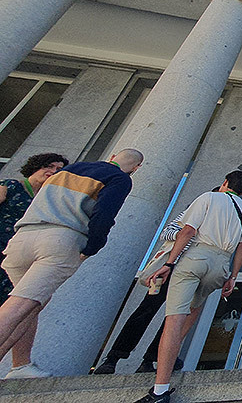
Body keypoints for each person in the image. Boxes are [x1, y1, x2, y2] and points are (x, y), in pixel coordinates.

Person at [0, 148, 142, 379]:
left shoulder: (67, 171)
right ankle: (19, 366)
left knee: (31, 306)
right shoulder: (118, 178)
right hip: (59, 240)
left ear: (113, 156)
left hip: (22, 239)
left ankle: (19, 365)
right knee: (19, 306)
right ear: (136, 168)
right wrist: (91, 247)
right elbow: (105, 214)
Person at [134, 170, 242, 403]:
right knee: (193, 311)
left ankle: (160, 389)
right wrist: (233, 277)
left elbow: (188, 231)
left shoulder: (208, 198)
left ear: (225, 182)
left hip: (196, 257)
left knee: (174, 318)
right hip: (221, 264)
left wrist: (169, 263)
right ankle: (173, 358)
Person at [93, 188, 221, 375]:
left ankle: (150, 360)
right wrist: (189, 234)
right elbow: (167, 232)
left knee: (173, 320)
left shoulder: (221, 225)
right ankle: (113, 357)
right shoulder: (190, 213)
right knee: (146, 310)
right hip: (171, 268)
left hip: (192, 272)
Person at [0, 153, 69, 303]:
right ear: (36, 167)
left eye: (58, 169)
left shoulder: (47, 200)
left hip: (14, 254)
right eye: (49, 166)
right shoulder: (10, 185)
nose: (53, 171)